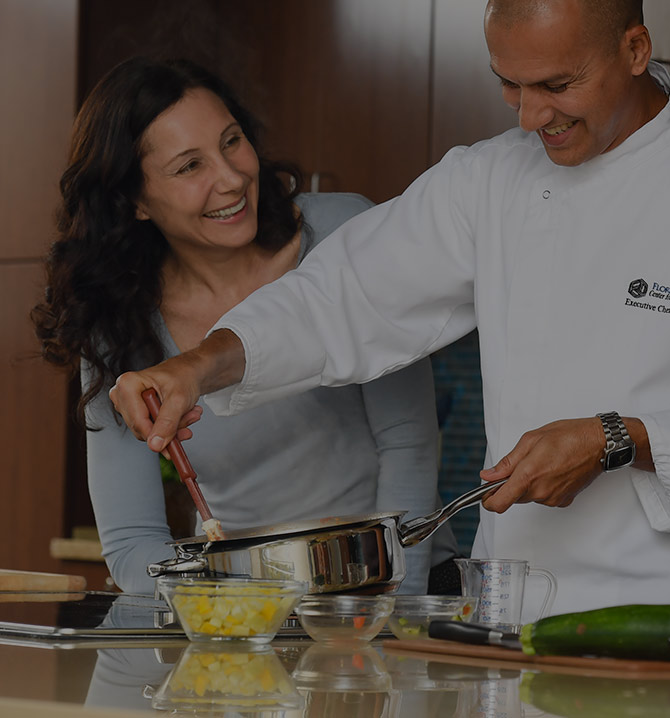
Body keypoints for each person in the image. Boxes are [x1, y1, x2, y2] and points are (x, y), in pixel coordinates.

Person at [104, 0, 670, 617]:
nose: (530, 118)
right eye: (510, 86)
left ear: (635, 48)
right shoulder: (487, 181)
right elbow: (337, 299)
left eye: (556, 84)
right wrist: (195, 366)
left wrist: (614, 440)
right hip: (504, 615)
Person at [32, 57, 458, 596]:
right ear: (134, 202)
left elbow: (407, 445)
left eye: (231, 142)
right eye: (190, 167)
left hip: (393, 587)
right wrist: (229, 609)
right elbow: (133, 542)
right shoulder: (116, 324)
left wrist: (391, 611)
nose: (232, 178)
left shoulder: (342, 233)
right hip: (245, 610)